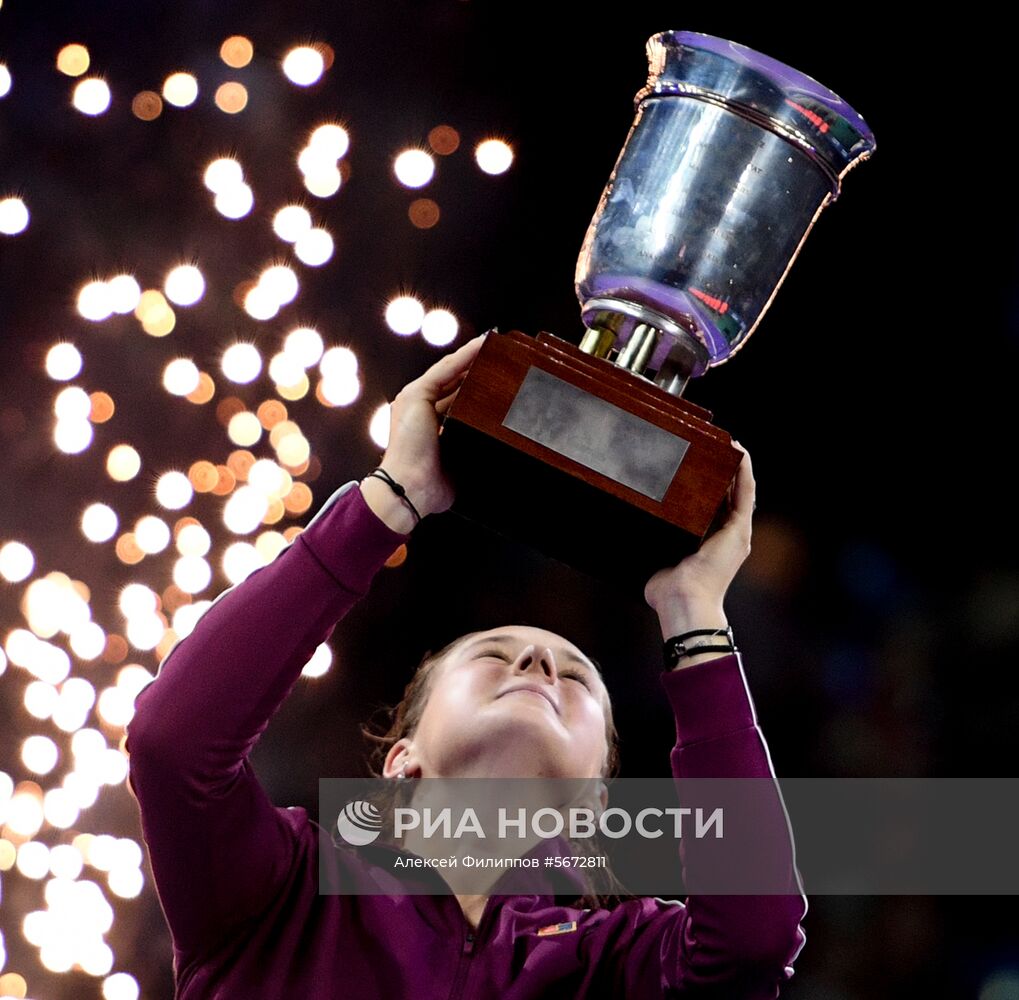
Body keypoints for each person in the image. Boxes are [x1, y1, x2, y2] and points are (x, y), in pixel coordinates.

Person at [126, 332, 807, 998]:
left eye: (574, 678)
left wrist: (692, 608)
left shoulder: (616, 961)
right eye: (492, 655)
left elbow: (752, 942)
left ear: (592, 804)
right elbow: (173, 746)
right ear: (402, 763)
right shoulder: (285, 892)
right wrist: (393, 495)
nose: (541, 658)